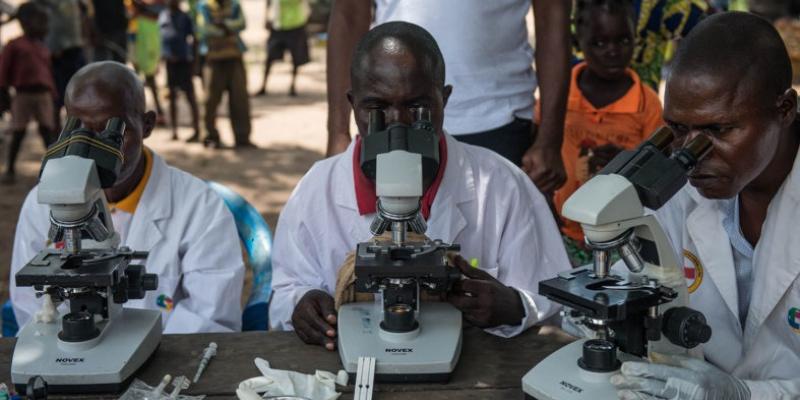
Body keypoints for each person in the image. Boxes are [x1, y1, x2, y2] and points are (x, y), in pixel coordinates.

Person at [270, 22, 571, 350]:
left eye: (418, 107)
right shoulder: (317, 191)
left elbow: (555, 302)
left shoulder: (502, 186)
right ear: (353, 104)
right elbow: (285, 293)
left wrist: (514, 307)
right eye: (377, 108)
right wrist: (301, 305)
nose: (398, 124)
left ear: (445, 99)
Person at [609, 12, 800, 399]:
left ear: (784, 109)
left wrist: (744, 395)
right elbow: (630, 278)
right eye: (678, 129)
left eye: (719, 129)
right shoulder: (679, 185)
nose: (692, 153)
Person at [10, 61, 245, 333]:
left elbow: (210, 318)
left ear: (147, 125)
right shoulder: (42, 201)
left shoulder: (200, 208)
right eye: (81, 131)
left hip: (169, 359)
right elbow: (29, 307)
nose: (94, 150)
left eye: (114, 132)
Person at [325, 0, 572, 196]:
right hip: (394, 119)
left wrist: (550, 140)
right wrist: (337, 133)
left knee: (494, 249)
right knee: (390, 241)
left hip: (499, 119)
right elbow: (349, 14)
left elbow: (552, 16)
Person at [552, 0, 663, 266]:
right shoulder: (559, 96)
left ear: (635, 36)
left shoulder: (646, 104)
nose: (613, 52)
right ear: (579, 40)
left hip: (622, 236)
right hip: (565, 232)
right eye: (600, 43)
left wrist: (626, 161)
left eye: (623, 40)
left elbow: (657, 173)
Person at [0, 3, 56, 184]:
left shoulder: (43, 47)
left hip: (43, 94)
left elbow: (48, 72)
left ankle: (55, 168)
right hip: (23, 94)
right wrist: (4, 93)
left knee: (47, 131)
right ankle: (10, 168)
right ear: (25, 23)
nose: (45, 27)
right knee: (18, 131)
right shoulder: (15, 45)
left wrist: (53, 93)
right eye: (40, 22)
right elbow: (3, 71)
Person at [197, 0, 253, 149]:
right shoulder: (204, 6)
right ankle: (210, 137)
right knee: (210, 101)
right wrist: (227, 29)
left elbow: (241, 23)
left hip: (234, 58)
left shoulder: (234, 5)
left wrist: (223, 24)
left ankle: (242, 138)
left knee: (240, 100)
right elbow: (204, 28)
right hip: (214, 59)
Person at [34, 0, 87, 129]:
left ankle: (74, 131)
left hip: (73, 47)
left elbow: (83, 10)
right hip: (57, 52)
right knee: (57, 97)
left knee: (78, 94)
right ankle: (57, 136)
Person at [159, 0, 201, 142]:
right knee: (172, 96)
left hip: (184, 62)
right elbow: (162, 38)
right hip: (170, 64)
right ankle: (174, 130)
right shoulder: (163, 15)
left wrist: (194, 62)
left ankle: (197, 130)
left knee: (190, 96)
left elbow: (194, 39)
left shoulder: (185, 17)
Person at [254, 0, 310, 97]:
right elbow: (269, 3)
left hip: (296, 24)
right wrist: (266, 17)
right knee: (270, 56)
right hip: (279, 25)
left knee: (296, 57)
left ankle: (292, 86)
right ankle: (263, 86)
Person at [128, 0, 166, 126]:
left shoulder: (136, 23)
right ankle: (160, 112)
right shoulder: (152, 23)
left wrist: (134, 59)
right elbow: (156, 43)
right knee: (152, 85)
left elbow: (132, 41)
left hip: (139, 59)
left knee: (136, 87)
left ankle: (137, 114)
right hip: (149, 59)